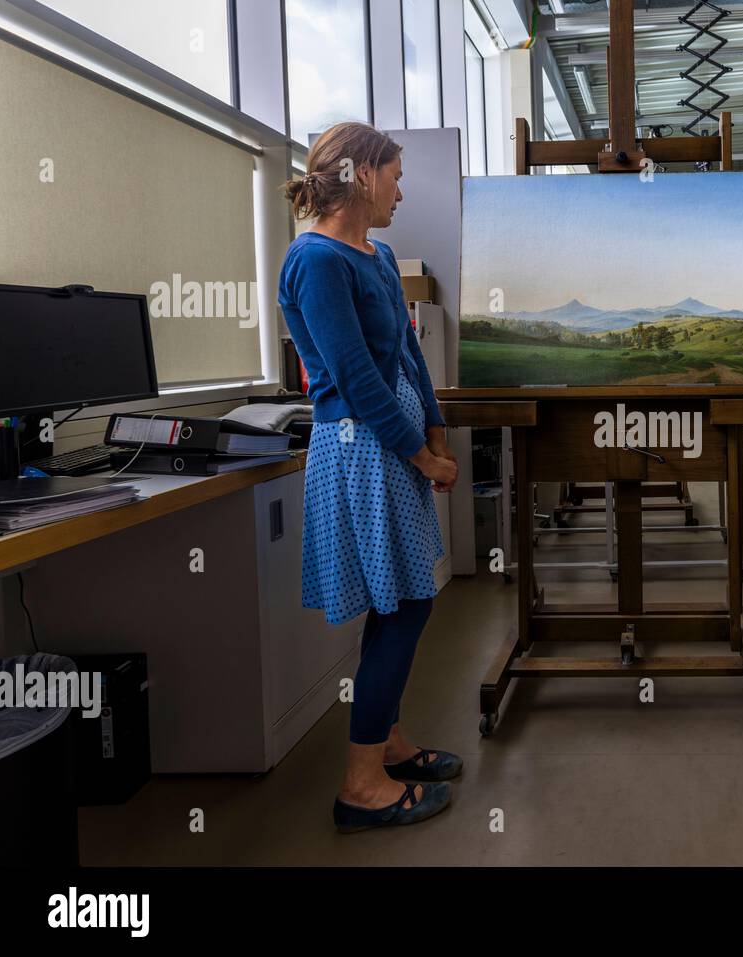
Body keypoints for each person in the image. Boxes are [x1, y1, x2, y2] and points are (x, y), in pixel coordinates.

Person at [279, 121, 462, 832]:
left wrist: (438, 434)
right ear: (360, 174)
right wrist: (423, 456)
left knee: (398, 601)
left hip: (400, 446)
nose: (401, 188)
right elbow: (355, 379)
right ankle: (360, 784)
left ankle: (385, 741)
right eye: (393, 173)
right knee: (407, 604)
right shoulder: (316, 261)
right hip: (362, 452)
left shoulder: (378, 255)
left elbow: (409, 361)